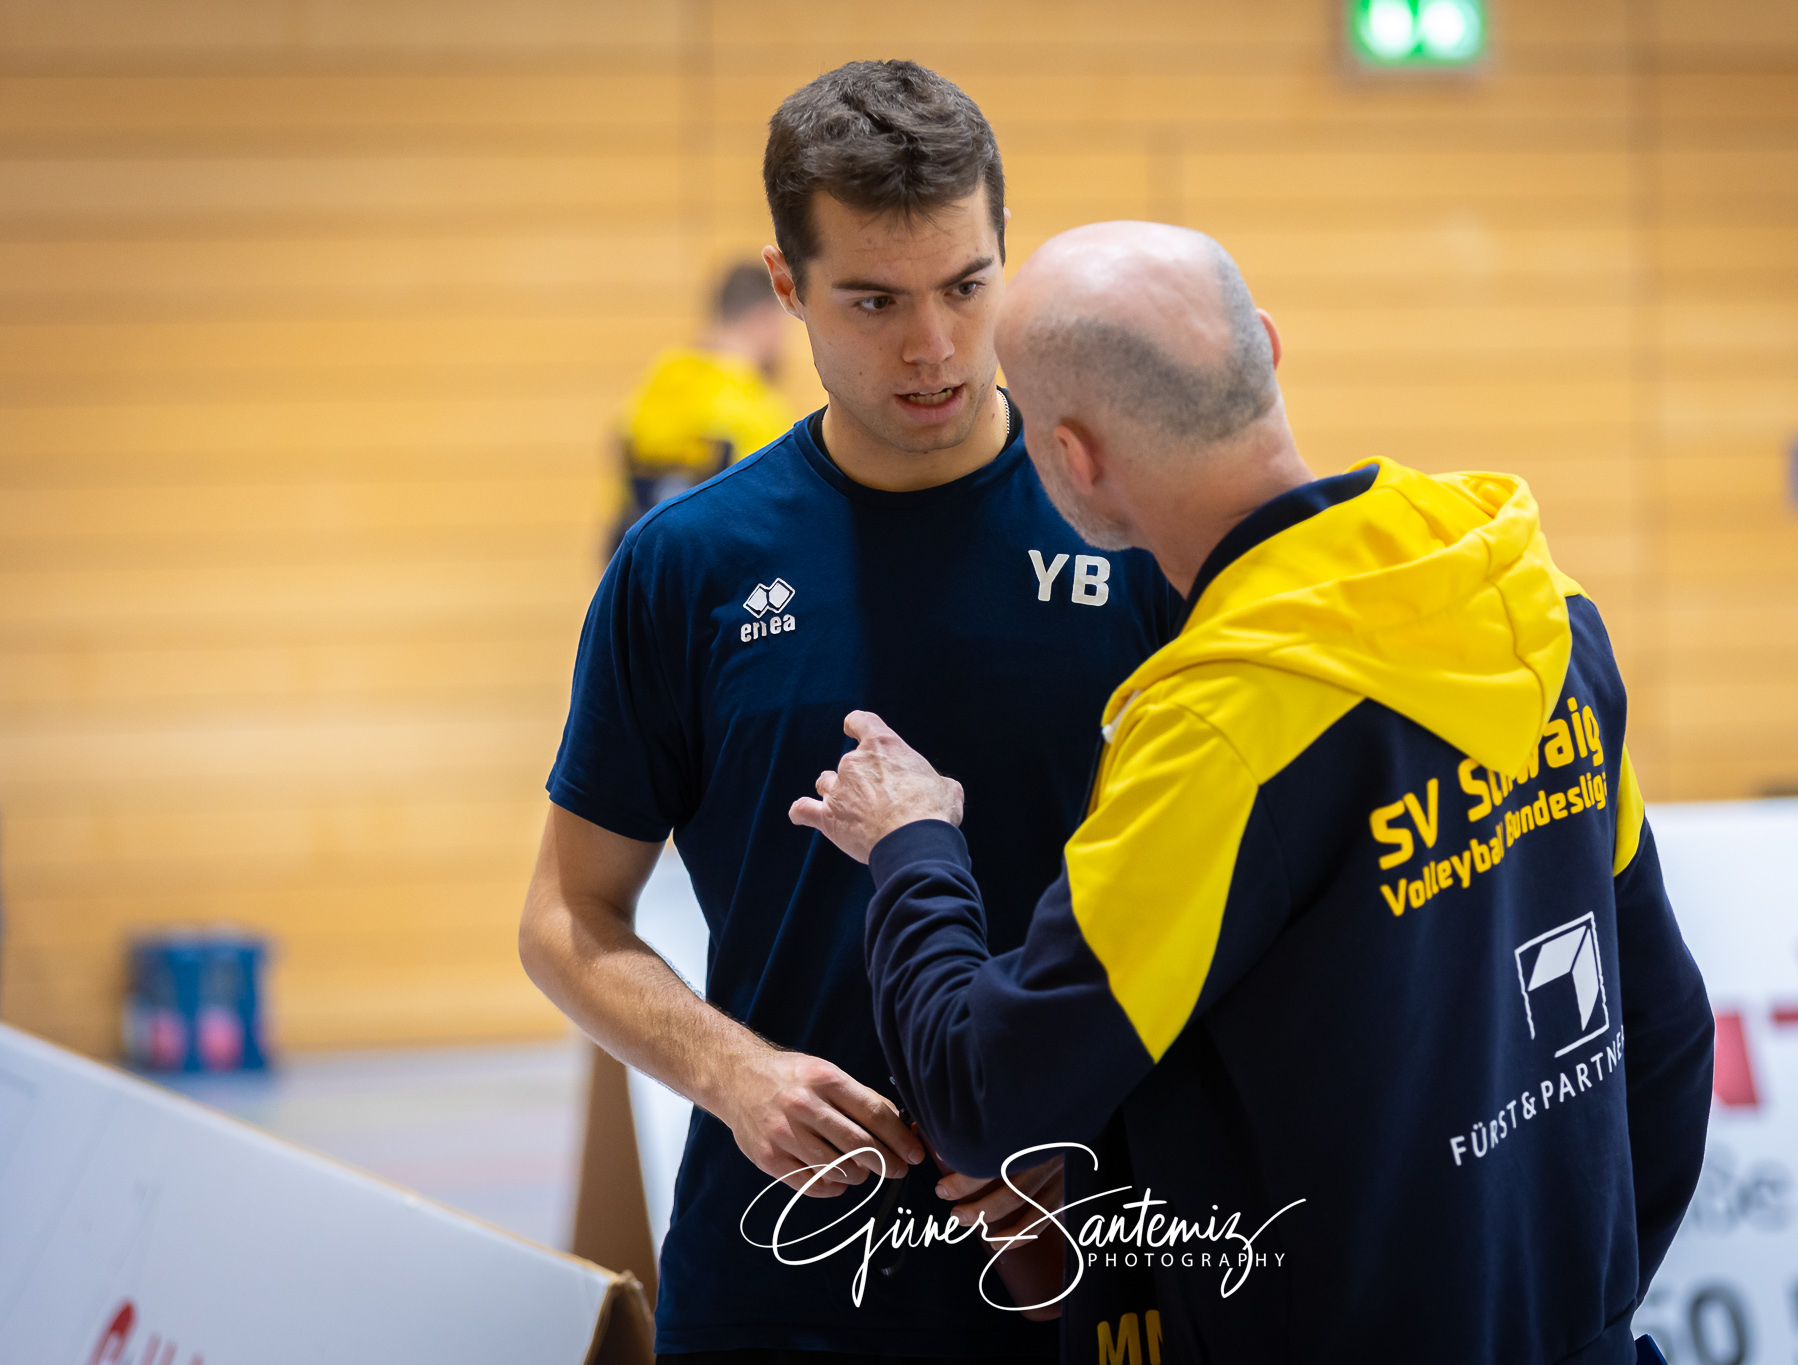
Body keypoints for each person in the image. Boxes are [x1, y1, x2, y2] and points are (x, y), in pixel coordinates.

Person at [789, 222, 1717, 1362]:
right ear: (1264, 351)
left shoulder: (1221, 728)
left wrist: (912, 846)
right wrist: (1583, 1312)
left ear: (1072, 457)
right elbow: (1663, 1025)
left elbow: (987, 1095)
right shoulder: (1539, 607)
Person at [519, 68, 1181, 1362]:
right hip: (785, 1266)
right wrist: (727, 1071)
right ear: (786, 288)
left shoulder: (1142, 531)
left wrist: (1092, 1106)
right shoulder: (688, 567)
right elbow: (565, 915)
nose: (932, 344)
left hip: (1091, 1248)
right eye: (875, 302)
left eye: (966, 286)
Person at [609, 263, 795, 553]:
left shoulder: (657, 384)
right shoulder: (758, 408)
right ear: (764, 318)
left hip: (648, 577)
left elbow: (622, 516)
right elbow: (774, 530)